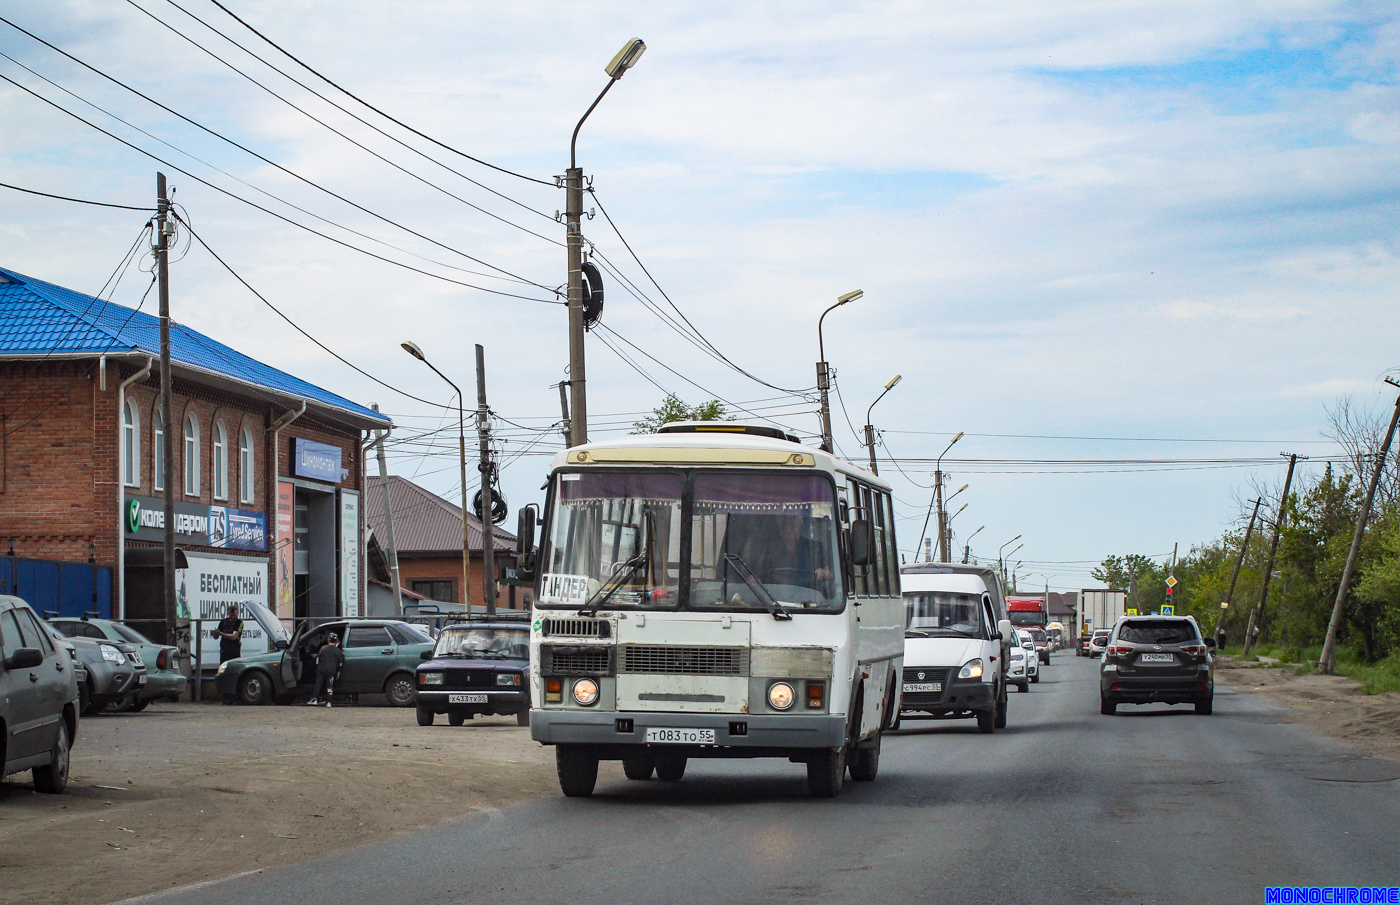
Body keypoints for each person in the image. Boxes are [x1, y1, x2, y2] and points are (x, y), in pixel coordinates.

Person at [214, 605, 243, 705]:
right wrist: (215, 633)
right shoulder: (223, 622)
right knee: (224, 673)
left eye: (234, 615)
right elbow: (216, 637)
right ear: (227, 614)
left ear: (237, 614)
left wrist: (221, 633)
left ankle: (237, 697)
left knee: (235, 673)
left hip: (234, 650)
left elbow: (234, 637)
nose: (232, 617)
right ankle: (226, 697)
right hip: (224, 650)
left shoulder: (239, 623)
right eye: (231, 615)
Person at [307, 633, 343, 707]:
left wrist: (317, 667)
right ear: (336, 641)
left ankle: (315, 699)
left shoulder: (323, 648)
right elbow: (340, 662)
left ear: (327, 640)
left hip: (321, 669)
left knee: (318, 684)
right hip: (332, 670)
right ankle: (329, 702)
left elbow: (318, 659)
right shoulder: (338, 651)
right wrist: (338, 671)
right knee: (329, 686)